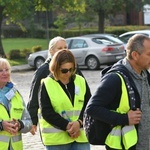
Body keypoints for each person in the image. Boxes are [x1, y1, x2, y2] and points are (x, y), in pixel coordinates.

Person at [84, 34, 150, 150]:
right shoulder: (114, 78)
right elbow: (92, 108)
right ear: (135, 55)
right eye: (149, 54)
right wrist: (124, 118)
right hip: (124, 146)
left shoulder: (145, 75)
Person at [27, 36, 91, 135]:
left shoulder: (74, 68)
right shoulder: (43, 71)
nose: (64, 50)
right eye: (60, 48)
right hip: (55, 132)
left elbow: (86, 95)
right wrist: (33, 121)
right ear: (51, 51)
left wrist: (80, 122)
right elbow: (34, 97)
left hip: (79, 129)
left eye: (66, 47)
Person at [38, 49, 91, 150]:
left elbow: (89, 105)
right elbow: (46, 112)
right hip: (56, 141)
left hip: (80, 137)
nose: (68, 73)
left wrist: (79, 123)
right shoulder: (47, 84)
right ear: (55, 68)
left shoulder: (81, 81)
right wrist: (67, 126)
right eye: (64, 70)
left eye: (71, 69)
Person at [0, 58, 32, 150]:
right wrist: (1, 125)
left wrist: (20, 124)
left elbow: (29, 122)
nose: (5, 73)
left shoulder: (16, 94)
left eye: (7, 70)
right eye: (0, 70)